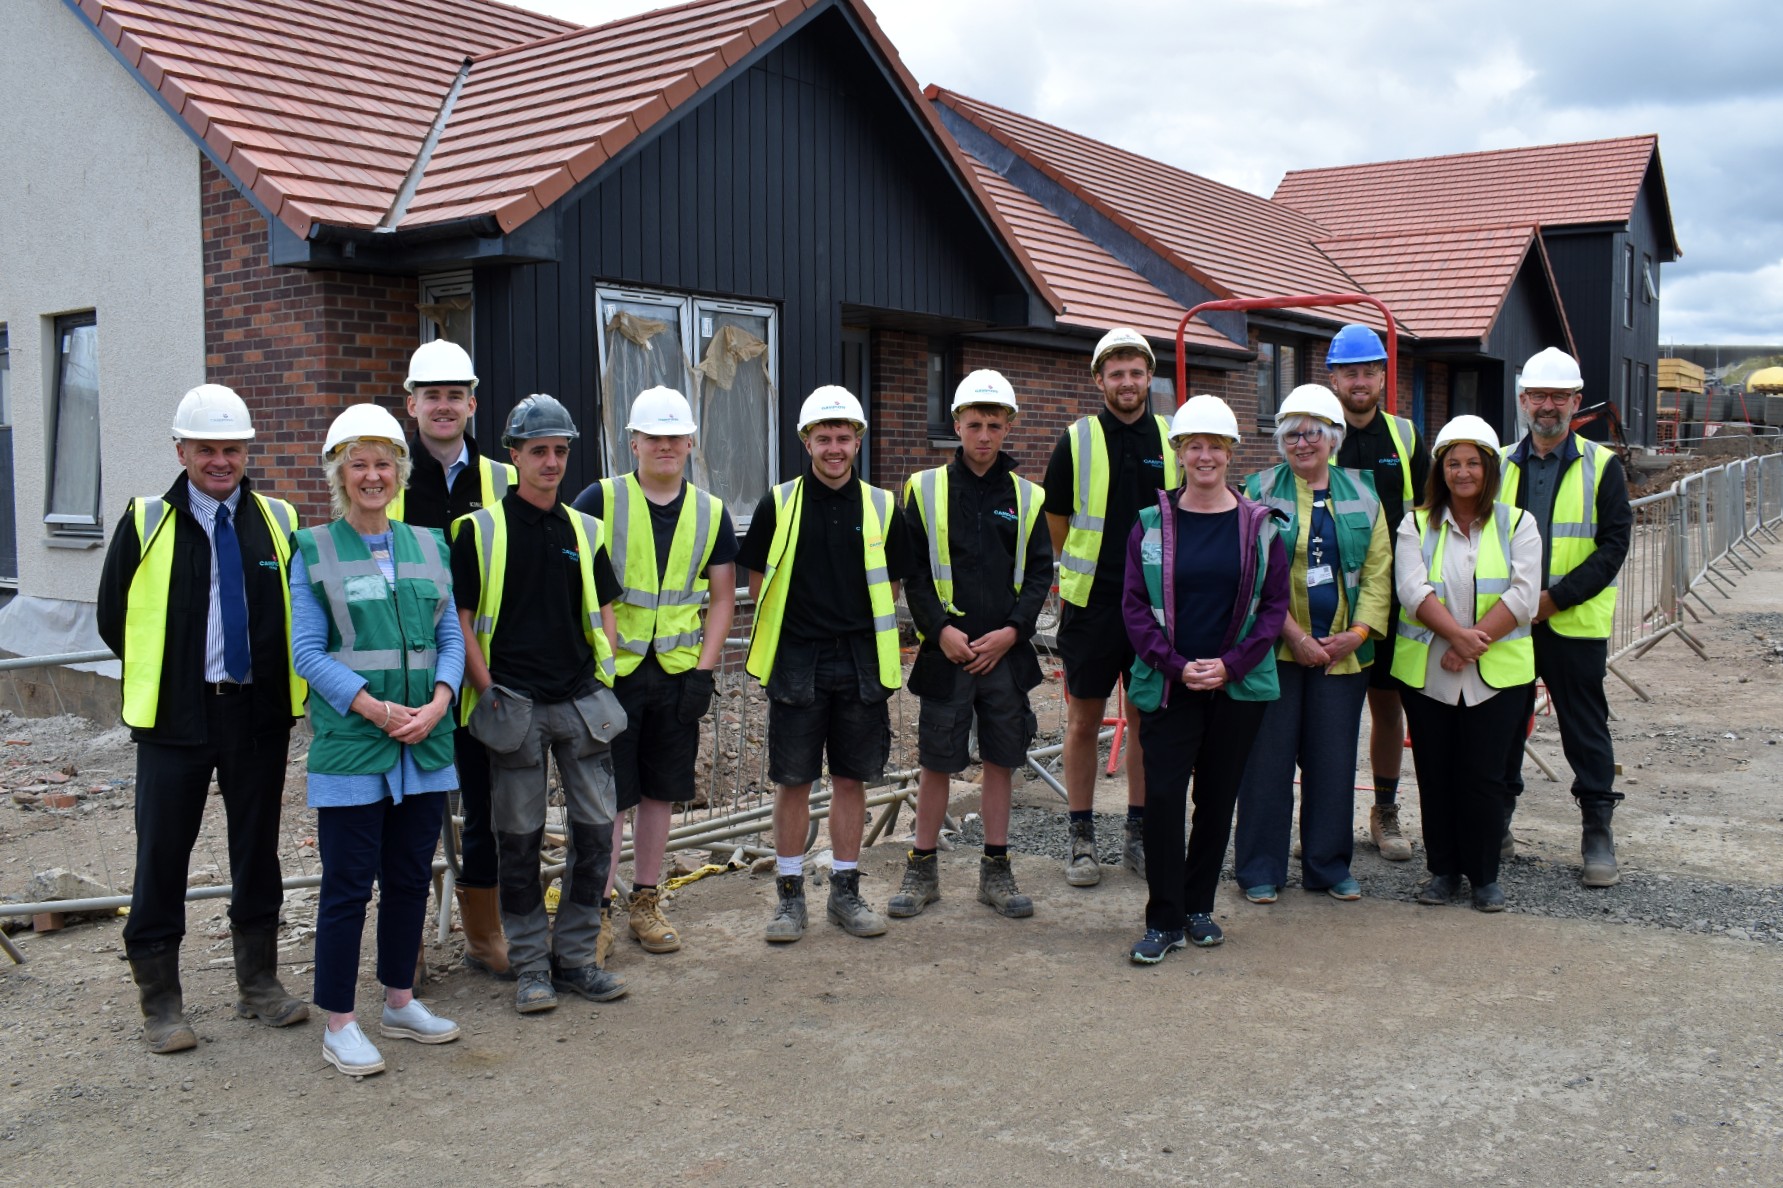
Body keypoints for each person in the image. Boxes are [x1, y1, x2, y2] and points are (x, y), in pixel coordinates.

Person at [96, 384, 309, 1054]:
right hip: (174, 720)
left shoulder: (278, 520)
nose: (221, 460)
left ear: (247, 451)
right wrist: (168, 678)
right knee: (161, 855)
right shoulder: (145, 522)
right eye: (207, 448)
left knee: (257, 852)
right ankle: (161, 1003)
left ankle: (260, 985)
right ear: (181, 450)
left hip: (256, 717)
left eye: (232, 448)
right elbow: (114, 619)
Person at [289, 405, 464, 1076]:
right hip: (355, 743)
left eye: (382, 463)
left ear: (400, 472)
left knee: (410, 879)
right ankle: (338, 1022)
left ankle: (399, 999)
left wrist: (441, 699)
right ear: (338, 472)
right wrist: (373, 708)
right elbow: (308, 652)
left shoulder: (428, 544)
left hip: (424, 741)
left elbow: (450, 635)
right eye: (357, 464)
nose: (371, 475)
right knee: (346, 886)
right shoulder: (315, 549)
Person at [452, 393, 628, 1013]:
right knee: (518, 841)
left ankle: (576, 957)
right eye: (539, 451)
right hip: (516, 706)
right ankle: (531, 965)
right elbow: (463, 622)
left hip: (581, 701)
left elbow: (604, 613)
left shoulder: (585, 530)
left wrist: (602, 675)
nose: (551, 462)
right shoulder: (478, 531)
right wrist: (485, 691)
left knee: (597, 836)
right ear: (514, 456)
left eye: (559, 451)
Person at [735, 386, 918, 943]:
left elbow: (894, 580)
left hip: (861, 661)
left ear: (857, 440)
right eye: (824, 437)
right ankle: (789, 898)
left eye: (843, 437)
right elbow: (758, 581)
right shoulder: (779, 501)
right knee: (791, 781)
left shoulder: (884, 507)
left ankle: (845, 890)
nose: (834, 448)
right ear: (806, 441)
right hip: (796, 661)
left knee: (849, 779)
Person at [1121, 395, 1288, 963]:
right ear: (1179, 453)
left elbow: (1274, 607)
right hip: (1171, 685)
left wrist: (1231, 665)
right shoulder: (1150, 524)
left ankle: (1199, 907)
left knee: (1216, 800)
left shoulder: (1261, 528)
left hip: (1235, 689)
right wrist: (1176, 664)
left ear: (1231, 452)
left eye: (1215, 445)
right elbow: (1135, 607)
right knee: (1164, 798)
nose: (1205, 455)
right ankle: (1163, 919)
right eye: (1194, 445)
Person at [571, 387, 737, 958]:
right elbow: (579, 586)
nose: (665, 446)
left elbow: (721, 599)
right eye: (654, 437)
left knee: (661, 795)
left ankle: (645, 900)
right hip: (610, 677)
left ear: (690, 443)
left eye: (675, 437)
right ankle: (595, 910)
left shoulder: (711, 511)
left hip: (675, 676)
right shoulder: (599, 499)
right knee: (608, 799)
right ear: (633, 442)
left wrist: (705, 672)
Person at [889, 370, 1052, 921]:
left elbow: (1037, 576)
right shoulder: (925, 488)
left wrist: (1012, 633)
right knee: (936, 763)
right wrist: (939, 630)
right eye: (974, 424)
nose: (984, 434)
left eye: (994, 424)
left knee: (1002, 761)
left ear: (1008, 427)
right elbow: (912, 572)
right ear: (956, 424)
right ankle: (922, 868)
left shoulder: (1028, 498)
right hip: (947, 652)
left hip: (1004, 654)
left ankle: (996, 872)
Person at [388, 339, 517, 978]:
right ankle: (403, 941)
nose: (443, 407)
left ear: (472, 402)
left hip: (481, 677)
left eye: (454, 395)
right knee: (403, 810)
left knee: (487, 807)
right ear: (411, 403)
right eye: (431, 395)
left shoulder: (503, 479)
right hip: (405, 676)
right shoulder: (386, 477)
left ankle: (483, 932)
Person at [1234, 385, 1392, 903]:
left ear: (1334, 438)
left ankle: (1327, 866)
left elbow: (1378, 573)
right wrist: (1294, 635)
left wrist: (1359, 633)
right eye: (1292, 434)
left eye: (1313, 433)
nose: (1303, 443)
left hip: (1343, 658)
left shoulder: (1364, 496)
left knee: (1332, 761)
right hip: (1274, 653)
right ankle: (1260, 869)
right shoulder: (1256, 490)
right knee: (1267, 762)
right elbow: (1247, 573)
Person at [1043, 327, 1179, 887]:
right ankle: (1081, 837)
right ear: (1099, 380)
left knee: (1146, 722)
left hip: (1155, 607)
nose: (1127, 381)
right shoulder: (1076, 440)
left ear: (1150, 376)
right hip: (1094, 605)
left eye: (1136, 371)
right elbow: (1056, 521)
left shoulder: (1173, 438)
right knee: (1083, 721)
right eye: (1115, 372)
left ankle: (1139, 833)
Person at [1391, 416, 1541, 912]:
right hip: (1430, 674)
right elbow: (1412, 591)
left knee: (1485, 777)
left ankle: (1484, 877)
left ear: (1489, 468)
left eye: (1473, 462)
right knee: (1436, 774)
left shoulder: (1519, 523)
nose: (1462, 472)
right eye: (1453, 462)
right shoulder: (1414, 523)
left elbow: (1523, 597)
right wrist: (1456, 637)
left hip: (1497, 677)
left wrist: (1468, 646)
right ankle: (1442, 872)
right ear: (1440, 470)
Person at [1499, 347, 1633, 886]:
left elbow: (1613, 546)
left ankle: (1597, 833)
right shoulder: (1499, 463)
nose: (1547, 405)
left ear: (1576, 402)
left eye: (1558, 396)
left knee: (1585, 730)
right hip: (1508, 624)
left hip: (1571, 626)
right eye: (1538, 396)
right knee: (1503, 726)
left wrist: (1554, 599)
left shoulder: (1604, 466)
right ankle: (1496, 824)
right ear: (1523, 400)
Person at [1327, 323, 1429, 863]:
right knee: (1331, 715)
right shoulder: (1318, 431)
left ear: (1383, 375)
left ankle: (1384, 812)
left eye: (1368, 371)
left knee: (1388, 709)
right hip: (1333, 601)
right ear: (1333, 378)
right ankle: (1323, 817)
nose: (1359, 381)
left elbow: (1429, 516)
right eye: (1350, 372)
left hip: (1394, 599)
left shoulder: (1407, 438)